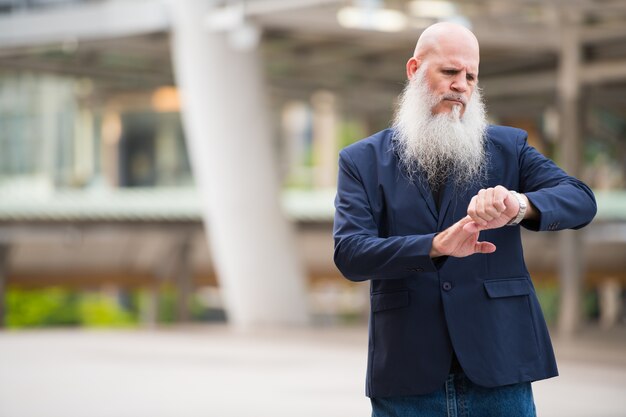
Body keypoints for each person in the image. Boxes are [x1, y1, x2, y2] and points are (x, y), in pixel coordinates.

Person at [333, 22, 597, 417]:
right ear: (414, 69)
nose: (462, 85)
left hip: (500, 363)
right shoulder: (361, 160)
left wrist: (519, 205)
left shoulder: (509, 147)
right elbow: (351, 253)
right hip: (408, 370)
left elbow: (580, 200)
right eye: (450, 72)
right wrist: (435, 246)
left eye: (471, 76)